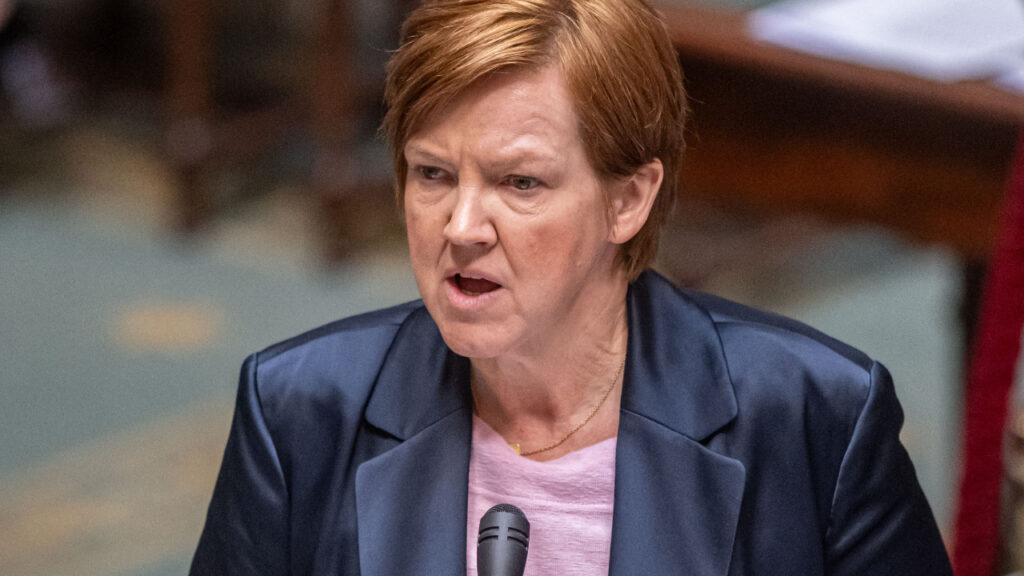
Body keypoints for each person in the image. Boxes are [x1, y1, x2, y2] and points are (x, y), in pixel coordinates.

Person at [190, 0, 952, 574]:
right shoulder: (297, 409)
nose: (461, 226)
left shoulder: (814, 417)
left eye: (519, 182)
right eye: (433, 174)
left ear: (629, 200)